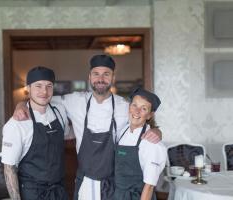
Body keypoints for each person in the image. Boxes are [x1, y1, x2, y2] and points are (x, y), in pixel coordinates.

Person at [13, 55, 162, 200]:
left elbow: (143, 118)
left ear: (113, 78)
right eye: (96, 74)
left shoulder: (125, 106)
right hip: (84, 180)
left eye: (106, 74)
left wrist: (157, 131)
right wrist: (21, 104)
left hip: (113, 184)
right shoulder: (74, 100)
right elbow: (42, 98)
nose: (101, 79)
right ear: (89, 77)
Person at [1, 66, 69, 200]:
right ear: (28, 88)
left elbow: (66, 134)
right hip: (32, 193)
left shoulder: (59, 111)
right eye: (38, 86)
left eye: (49, 86)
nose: (44, 91)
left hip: (58, 190)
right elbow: (9, 169)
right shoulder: (16, 124)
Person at [114, 87, 166, 200]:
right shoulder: (123, 131)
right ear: (129, 107)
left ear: (149, 115)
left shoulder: (152, 144)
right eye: (134, 105)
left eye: (143, 108)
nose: (137, 111)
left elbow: (149, 186)